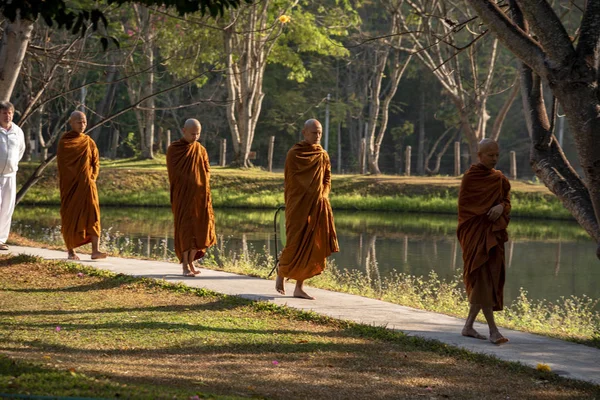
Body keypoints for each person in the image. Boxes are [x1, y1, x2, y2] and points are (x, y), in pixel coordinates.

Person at [275, 119, 339, 300]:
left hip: (317, 205)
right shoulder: (295, 154)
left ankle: (299, 287)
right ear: (304, 132)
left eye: (319, 132)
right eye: (313, 132)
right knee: (294, 242)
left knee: (312, 245)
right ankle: (282, 273)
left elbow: (327, 179)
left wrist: (323, 196)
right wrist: (308, 193)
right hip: (298, 205)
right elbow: (291, 181)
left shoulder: (323, 155)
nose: (317, 136)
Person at [457, 138, 511, 345]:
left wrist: (501, 208)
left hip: (493, 235)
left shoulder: (499, 179)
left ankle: (468, 326)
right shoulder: (471, 178)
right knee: (482, 278)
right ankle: (493, 330)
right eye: (490, 155)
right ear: (479, 156)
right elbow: (466, 209)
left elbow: (506, 202)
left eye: (497, 155)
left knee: (487, 278)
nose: (495, 159)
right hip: (475, 234)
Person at [167, 118, 216, 276]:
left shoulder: (200, 149)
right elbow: (175, 174)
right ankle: (185, 266)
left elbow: (207, 170)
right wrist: (190, 183)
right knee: (186, 230)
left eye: (198, 134)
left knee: (200, 228)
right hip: (183, 197)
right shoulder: (175, 149)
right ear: (184, 131)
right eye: (193, 133)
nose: (195, 136)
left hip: (200, 197)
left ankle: (192, 263)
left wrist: (202, 186)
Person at [57, 111, 107, 260]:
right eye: (79, 122)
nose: (82, 125)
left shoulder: (89, 141)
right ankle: (71, 251)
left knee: (94, 215)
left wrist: (91, 178)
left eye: (84, 122)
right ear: (71, 123)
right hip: (70, 187)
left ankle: (95, 250)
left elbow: (95, 162)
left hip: (87, 186)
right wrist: (76, 178)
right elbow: (63, 165)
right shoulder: (64, 142)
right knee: (69, 216)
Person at [0, 101, 25, 250]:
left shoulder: (17, 131)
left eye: (9, 113)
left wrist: (12, 164)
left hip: (10, 175)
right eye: (4, 113)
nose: (7, 116)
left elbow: (20, 150)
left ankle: (1, 240)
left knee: (7, 208)